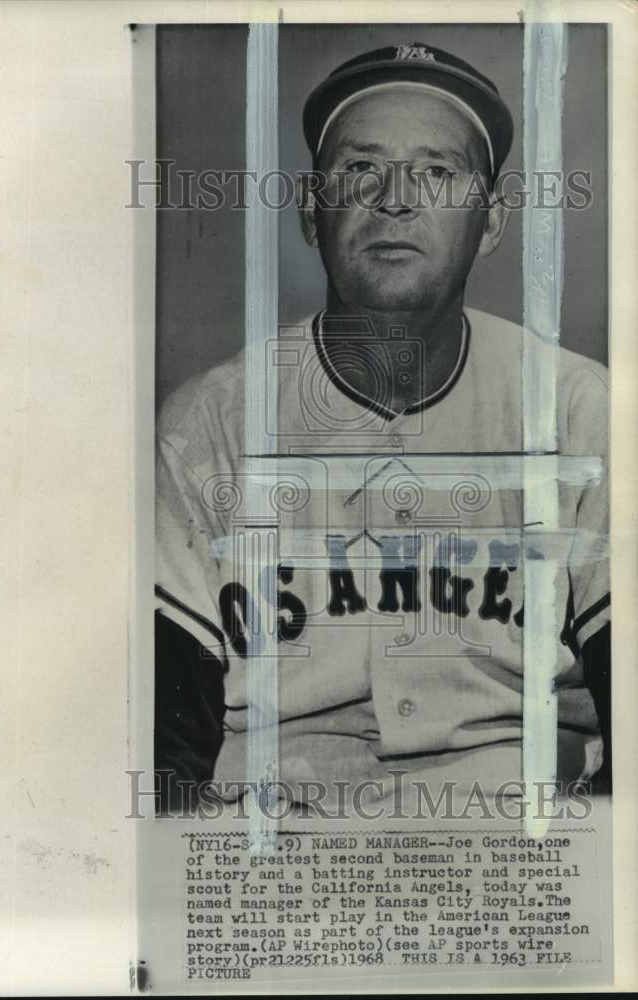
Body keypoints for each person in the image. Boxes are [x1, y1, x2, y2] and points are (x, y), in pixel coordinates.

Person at [154, 43, 610, 812]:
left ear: (492, 220)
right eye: (359, 169)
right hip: (272, 845)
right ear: (310, 210)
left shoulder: (580, 411)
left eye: (438, 172)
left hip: (516, 839)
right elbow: (163, 749)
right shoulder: (211, 424)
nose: (395, 198)